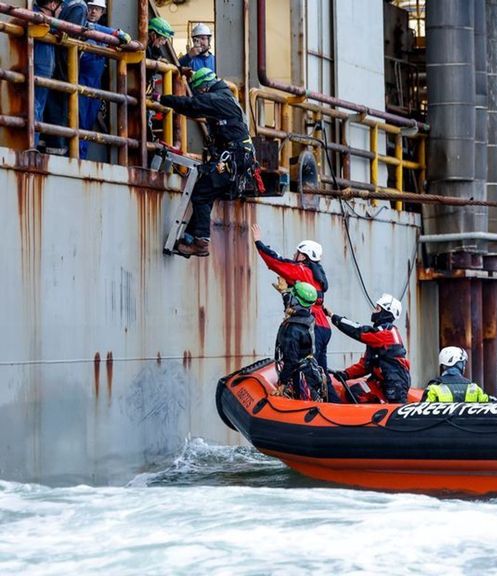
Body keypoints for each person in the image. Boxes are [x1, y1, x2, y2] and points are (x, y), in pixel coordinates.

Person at [157, 68, 258, 257]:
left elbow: (193, 105)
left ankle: (201, 242)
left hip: (232, 157)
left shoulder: (218, 99)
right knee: (206, 191)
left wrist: (161, 98)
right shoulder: (225, 98)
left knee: (202, 193)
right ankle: (190, 238)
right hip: (237, 157)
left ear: (203, 88)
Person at [250, 224, 331, 370]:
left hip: (312, 327)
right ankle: (329, 393)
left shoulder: (302, 271)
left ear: (304, 256)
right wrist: (286, 292)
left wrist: (258, 243)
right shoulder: (317, 275)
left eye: (297, 253)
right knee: (321, 373)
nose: (294, 255)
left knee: (307, 372)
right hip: (324, 327)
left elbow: (277, 262)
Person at [327, 294, 412, 404]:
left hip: (395, 383)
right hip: (379, 383)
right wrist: (346, 374)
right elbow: (366, 365)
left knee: (395, 406)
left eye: (377, 308)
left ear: (385, 312)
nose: (374, 311)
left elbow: (358, 330)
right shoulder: (378, 336)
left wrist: (333, 317)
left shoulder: (386, 333)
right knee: (355, 392)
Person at [78, 0, 132, 157]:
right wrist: (115, 33)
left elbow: (123, 40)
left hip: (94, 86)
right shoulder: (80, 24)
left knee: (87, 124)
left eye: (97, 9)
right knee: (78, 121)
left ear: (103, 13)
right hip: (79, 82)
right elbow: (88, 27)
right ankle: (75, 157)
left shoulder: (102, 37)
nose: (93, 12)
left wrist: (115, 38)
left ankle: (82, 157)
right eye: (91, 8)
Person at [40, 0, 87, 155]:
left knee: (59, 106)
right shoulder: (69, 4)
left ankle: (56, 149)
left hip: (63, 66)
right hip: (55, 62)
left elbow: (69, 33)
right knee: (50, 105)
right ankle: (45, 143)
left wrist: (51, 27)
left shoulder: (78, 7)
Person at [274, 282, 327, 401]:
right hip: (309, 371)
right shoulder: (308, 318)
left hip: (300, 378)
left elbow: (291, 360)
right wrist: (284, 293)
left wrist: (282, 384)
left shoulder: (293, 330)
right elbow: (294, 308)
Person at [31, 0, 61, 150]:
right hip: (39, 67)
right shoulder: (40, 17)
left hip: (41, 66)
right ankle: (31, 144)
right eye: (60, 6)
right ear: (53, 5)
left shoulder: (34, 13)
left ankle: (33, 143)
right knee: (35, 105)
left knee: (37, 106)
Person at [423, 347, 489, 403]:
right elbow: (488, 406)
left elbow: (422, 411)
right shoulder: (474, 387)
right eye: (463, 363)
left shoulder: (434, 387)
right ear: (458, 364)